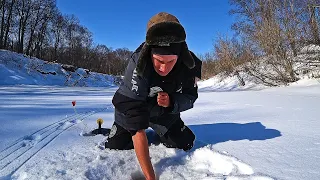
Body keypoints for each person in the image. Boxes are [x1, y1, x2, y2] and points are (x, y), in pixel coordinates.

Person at [105, 12, 202, 180]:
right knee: (116, 145)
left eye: (170, 61)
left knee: (184, 142)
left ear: (179, 56)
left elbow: (190, 98)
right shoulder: (138, 62)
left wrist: (172, 101)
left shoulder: (189, 64)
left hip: (163, 113)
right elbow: (135, 118)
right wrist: (151, 177)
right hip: (133, 110)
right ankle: (121, 130)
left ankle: (161, 131)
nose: (163, 68)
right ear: (149, 52)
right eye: (158, 61)